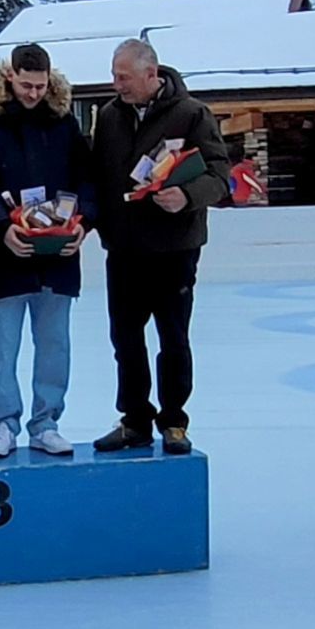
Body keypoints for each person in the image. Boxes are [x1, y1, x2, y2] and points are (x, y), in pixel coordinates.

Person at [88, 38, 229, 455]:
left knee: (173, 338)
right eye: (115, 76)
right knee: (125, 340)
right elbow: (99, 176)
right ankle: (134, 420)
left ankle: (174, 422)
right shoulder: (110, 118)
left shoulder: (192, 115)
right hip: (125, 251)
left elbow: (220, 175)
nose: (117, 85)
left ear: (152, 74)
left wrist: (186, 196)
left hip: (174, 250)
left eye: (124, 77)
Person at [0, 43, 96, 459]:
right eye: (26, 84)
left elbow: (86, 177)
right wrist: (1, 226)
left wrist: (82, 223)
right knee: (2, 344)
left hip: (58, 253)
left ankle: (46, 422)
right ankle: (4, 423)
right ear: (10, 77)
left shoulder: (64, 123)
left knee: (54, 343)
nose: (34, 93)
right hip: (7, 253)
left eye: (40, 86)